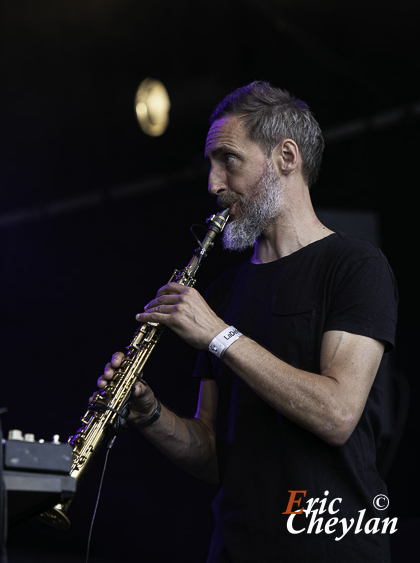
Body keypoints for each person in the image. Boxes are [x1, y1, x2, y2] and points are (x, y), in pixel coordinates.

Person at [97, 82, 398, 562]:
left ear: (285, 157)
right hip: (236, 549)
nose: (213, 184)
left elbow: (338, 414)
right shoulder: (224, 292)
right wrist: (149, 414)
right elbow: (214, 453)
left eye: (228, 160)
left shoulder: (355, 266)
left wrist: (217, 334)